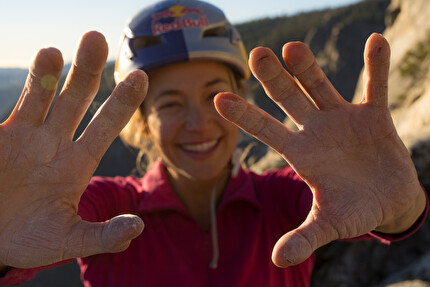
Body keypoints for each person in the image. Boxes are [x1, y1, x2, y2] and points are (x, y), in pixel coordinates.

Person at [0, 0, 428, 286]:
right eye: (169, 103)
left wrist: (402, 206)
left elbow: (377, 210)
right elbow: (25, 234)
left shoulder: (286, 198)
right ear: (143, 122)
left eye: (213, 96)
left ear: (241, 102)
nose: (198, 122)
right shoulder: (104, 207)